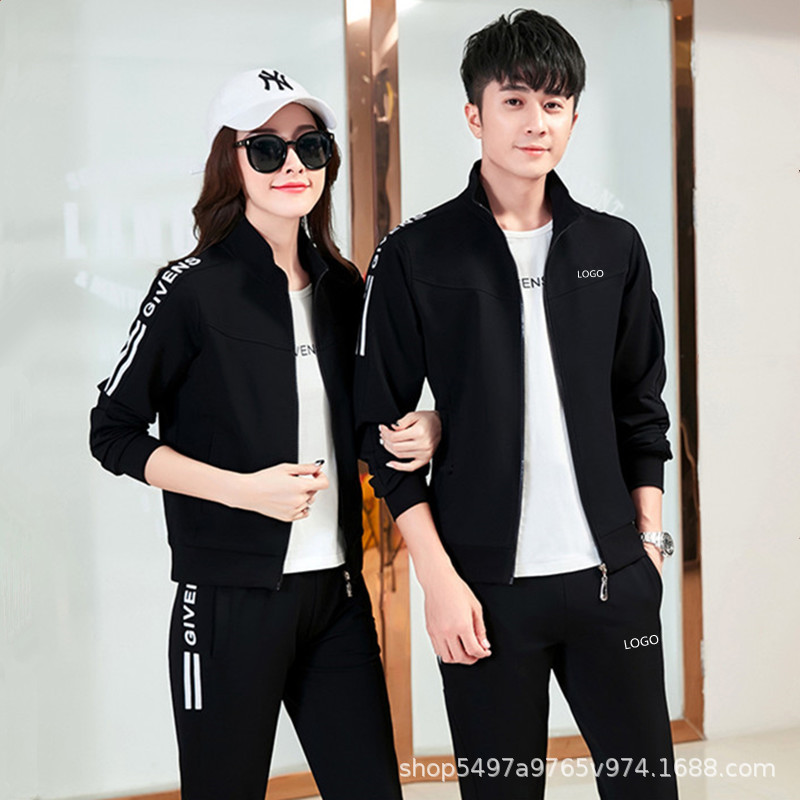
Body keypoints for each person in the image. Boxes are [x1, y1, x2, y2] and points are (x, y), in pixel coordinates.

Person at [89, 67, 441, 800]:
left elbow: (371, 422)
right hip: (226, 602)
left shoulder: (344, 288)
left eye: (309, 147)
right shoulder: (190, 289)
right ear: (231, 161)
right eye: (267, 148)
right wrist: (241, 491)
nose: (292, 166)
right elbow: (112, 431)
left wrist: (429, 426)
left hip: (336, 595)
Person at [354, 9, 678, 799]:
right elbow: (377, 428)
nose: (537, 122)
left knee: (646, 789)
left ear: (573, 119)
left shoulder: (613, 247)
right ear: (475, 115)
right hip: (483, 593)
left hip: (611, 581)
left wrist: (649, 541)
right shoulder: (415, 254)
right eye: (515, 101)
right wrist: (437, 580)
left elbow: (641, 407)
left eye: (554, 103)